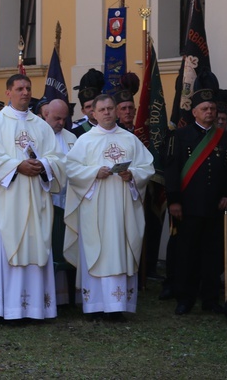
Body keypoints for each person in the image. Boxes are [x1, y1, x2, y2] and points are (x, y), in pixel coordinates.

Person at [0, 74, 65, 320]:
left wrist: (44, 165)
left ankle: (34, 307)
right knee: (3, 248)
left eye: (28, 88)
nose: (25, 92)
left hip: (36, 198)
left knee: (36, 245)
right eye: (19, 88)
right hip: (6, 196)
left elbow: (58, 159)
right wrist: (17, 167)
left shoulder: (41, 125)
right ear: (8, 93)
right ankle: (2, 307)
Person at [63, 94, 154, 320]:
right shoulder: (85, 140)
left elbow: (147, 167)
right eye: (101, 109)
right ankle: (95, 306)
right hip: (95, 209)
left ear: (116, 111)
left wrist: (132, 173)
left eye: (110, 108)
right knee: (97, 250)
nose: (106, 113)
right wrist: (95, 172)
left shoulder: (130, 139)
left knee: (120, 250)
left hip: (123, 209)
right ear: (92, 113)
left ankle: (117, 305)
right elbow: (71, 169)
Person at [165, 86, 227, 316]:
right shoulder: (180, 136)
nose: (210, 112)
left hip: (216, 207)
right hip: (188, 207)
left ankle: (210, 299)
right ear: (195, 112)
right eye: (205, 108)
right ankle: (184, 298)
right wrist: (174, 201)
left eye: (213, 108)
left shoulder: (224, 138)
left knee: (213, 255)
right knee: (187, 254)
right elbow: (172, 170)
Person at [43, 98, 78, 305]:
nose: (61, 123)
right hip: (47, 201)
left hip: (69, 201)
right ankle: (50, 297)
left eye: (64, 119)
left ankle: (67, 296)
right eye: (57, 118)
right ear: (45, 114)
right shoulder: (39, 135)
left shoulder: (72, 137)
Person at [71, 69, 104, 137]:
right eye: (88, 107)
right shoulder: (75, 133)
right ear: (83, 111)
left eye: (94, 105)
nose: (92, 109)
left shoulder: (114, 127)